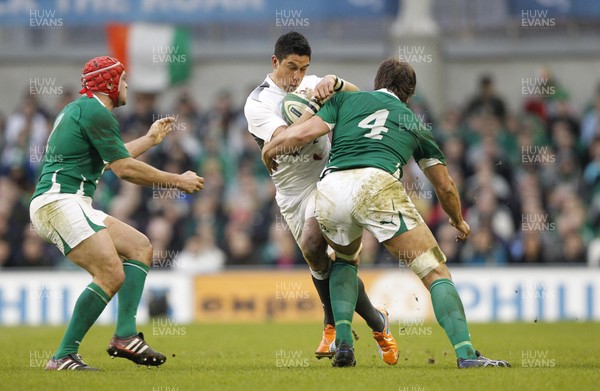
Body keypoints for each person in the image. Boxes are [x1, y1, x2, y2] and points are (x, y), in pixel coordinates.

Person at [262, 58, 511, 369]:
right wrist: (457, 219)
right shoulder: (413, 121)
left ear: (377, 81)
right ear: (409, 94)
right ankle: (465, 354)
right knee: (435, 273)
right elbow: (444, 186)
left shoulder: (346, 100)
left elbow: (303, 133)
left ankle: (343, 344)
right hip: (376, 185)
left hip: (331, 187)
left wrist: (271, 146)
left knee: (344, 259)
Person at [29, 56, 204, 371]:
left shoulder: (83, 109)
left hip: (71, 201)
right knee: (111, 273)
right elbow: (123, 170)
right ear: (109, 83)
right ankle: (63, 356)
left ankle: (124, 336)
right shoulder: (96, 112)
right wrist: (177, 180)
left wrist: (150, 140)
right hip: (60, 202)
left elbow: (111, 160)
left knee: (140, 246)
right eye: (123, 80)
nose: (127, 86)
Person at [244, 31, 397, 364]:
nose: (298, 76)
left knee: (320, 241)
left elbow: (361, 101)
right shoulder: (258, 102)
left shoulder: (314, 83)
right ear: (275, 62)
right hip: (291, 192)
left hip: (330, 177)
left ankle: (333, 328)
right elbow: (287, 140)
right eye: (291, 67)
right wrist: (314, 106)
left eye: (304, 68)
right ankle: (374, 320)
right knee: (315, 256)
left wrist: (338, 83)